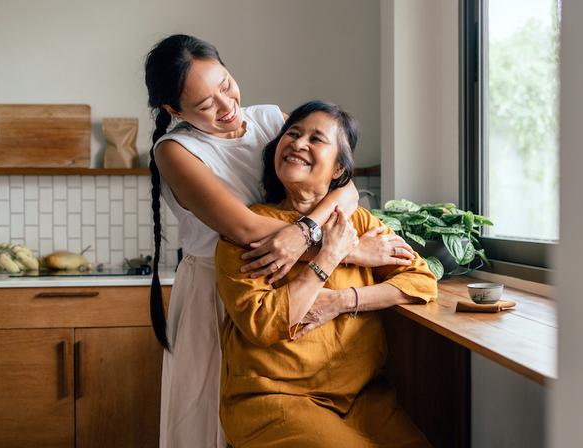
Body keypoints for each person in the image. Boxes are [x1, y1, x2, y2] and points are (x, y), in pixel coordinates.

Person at [144, 35, 417, 447]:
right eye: (205, 105)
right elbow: (246, 230)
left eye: (225, 84)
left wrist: (306, 232)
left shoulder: (272, 119)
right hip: (223, 290)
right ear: (174, 110)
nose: (226, 105)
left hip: (296, 278)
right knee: (214, 420)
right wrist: (346, 248)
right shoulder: (175, 151)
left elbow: (344, 187)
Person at [215, 101, 438, 447]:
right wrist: (332, 254)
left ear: (338, 170)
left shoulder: (359, 222)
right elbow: (262, 323)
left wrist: (341, 301)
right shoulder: (247, 231)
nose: (298, 143)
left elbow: (421, 282)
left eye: (316, 139)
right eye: (292, 133)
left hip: (364, 399)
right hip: (273, 399)